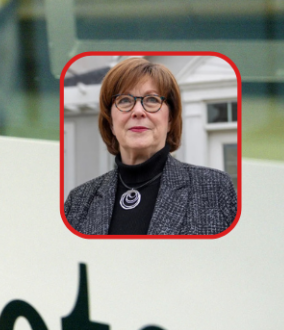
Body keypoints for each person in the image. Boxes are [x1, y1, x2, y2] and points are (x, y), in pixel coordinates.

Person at [63, 58, 237, 235]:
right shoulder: (78, 203)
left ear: (169, 120)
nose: (138, 111)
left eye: (152, 99)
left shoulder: (215, 189)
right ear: (111, 123)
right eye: (124, 100)